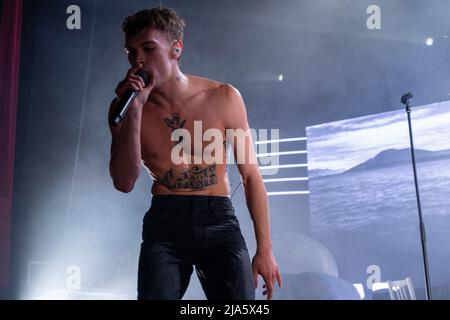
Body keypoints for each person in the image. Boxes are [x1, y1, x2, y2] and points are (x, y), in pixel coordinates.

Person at [108, 6, 281, 300]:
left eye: (148, 48)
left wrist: (264, 249)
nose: (137, 59)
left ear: (176, 49)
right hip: (165, 224)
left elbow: (251, 176)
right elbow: (124, 182)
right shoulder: (124, 108)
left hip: (219, 221)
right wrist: (135, 110)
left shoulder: (223, 97)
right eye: (130, 51)